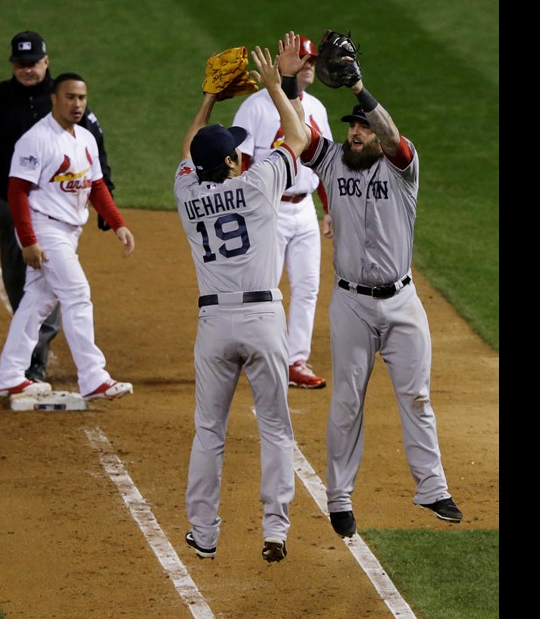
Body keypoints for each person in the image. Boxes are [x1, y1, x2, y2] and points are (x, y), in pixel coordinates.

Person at [285, 31, 463, 537]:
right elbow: (298, 130)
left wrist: (361, 89)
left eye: (362, 128)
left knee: (418, 397)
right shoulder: (332, 162)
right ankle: (339, 497)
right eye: (353, 130)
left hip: (403, 302)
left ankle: (433, 489)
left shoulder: (403, 168)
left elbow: (393, 133)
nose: (355, 134)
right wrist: (288, 83)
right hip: (353, 305)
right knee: (346, 401)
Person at [177, 37, 309, 564]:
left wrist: (207, 100)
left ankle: (204, 534)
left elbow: (189, 153)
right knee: (275, 426)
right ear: (234, 161)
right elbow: (297, 137)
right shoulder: (257, 184)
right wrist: (278, 88)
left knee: (209, 431)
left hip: (214, 322)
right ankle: (275, 530)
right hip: (261, 318)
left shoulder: (186, 192)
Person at [0, 30, 119, 382]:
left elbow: (94, 155)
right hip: (10, 202)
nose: (27, 69)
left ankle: (34, 364)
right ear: (13, 64)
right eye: (21, 64)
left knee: (54, 290)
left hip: (56, 207)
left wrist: (107, 201)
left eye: (33, 63)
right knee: (24, 283)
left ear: (46, 63)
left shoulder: (69, 101)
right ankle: (23, 369)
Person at [0, 72, 135, 403]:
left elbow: (95, 185)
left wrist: (117, 223)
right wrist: (28, 240)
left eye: (82, 98)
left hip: (69, 232)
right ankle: (93, 376)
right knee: (77, 293)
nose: (77, 104)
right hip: (45, 228)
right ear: (54, 99)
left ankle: (9, 375)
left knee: (38, 301)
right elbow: (16, 192)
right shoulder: (36, 139)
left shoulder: (85, 138)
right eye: (70, 97)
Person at [231, 34, 333, 390]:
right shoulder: (256, 107)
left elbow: (323, 163)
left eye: (311, 61)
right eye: (303, 60)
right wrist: (243, 209)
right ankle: (256, 353)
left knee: (307, 287)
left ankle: (294, 361)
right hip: (267, 208)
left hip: (303, 208)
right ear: (285, 63)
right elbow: (241, 161)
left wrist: (328, 208)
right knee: (264, 287)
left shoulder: (316, 108)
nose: (308, 66)